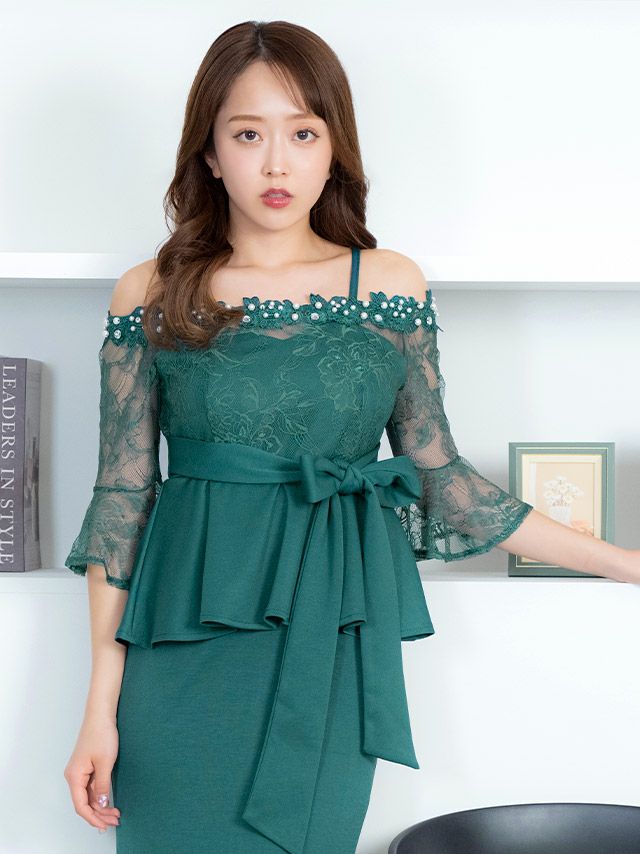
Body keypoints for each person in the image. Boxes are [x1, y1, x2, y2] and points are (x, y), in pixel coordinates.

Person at [62, 19, 639, 854]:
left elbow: (442, 478)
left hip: (330, 631)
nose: (276, 164)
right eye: (247, 134)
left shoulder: (389, 284)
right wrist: (98, 709)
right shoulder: (148, 291)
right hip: (183, 647)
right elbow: (123, 501)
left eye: (302, 134)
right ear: (209, 153)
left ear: (334, 148)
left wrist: (626, 564)